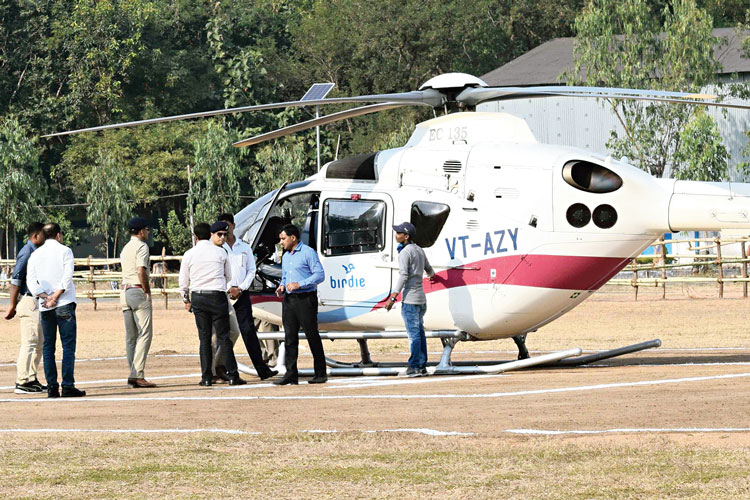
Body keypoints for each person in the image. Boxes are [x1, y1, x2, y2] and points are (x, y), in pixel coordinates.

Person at [179, 222, 246, 387]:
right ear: (209, 234)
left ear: (195, 236)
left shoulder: (189, 254)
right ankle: (232, 375)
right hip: (217, 295)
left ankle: (207, 376)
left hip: (199, 296)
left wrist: (186, 299)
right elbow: (228, 276)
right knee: (224, 337)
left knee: (205, 338)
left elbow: (183, 281)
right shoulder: (220, 252)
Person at [213, 214, 277, 381]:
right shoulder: (217, 248)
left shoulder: (244, 246)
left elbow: (251, 270)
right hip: (224, 294)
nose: (226, 230)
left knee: (248, 332)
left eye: (228, 225)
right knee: (224, 334)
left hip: (242, 294)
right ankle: (223, 368)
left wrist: (240, 288)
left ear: (234, 225)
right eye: (222, 227)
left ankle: (262, 369)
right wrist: (229, 288)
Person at [26, 223, 85, 397]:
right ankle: (67, 385)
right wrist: (56, 296)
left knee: (48, 347)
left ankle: (52, 386)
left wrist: (45, 297)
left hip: (45, 306)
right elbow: (67, 278)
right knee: (67, 346)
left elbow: (31, 281)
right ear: (58, 235)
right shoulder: (65, 251)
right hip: (64, 302)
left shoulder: (36, 255)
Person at [274, 224, 326, 385]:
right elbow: (285, 276)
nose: (281, 242)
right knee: (289, 337)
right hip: (289, 300)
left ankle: (320, 373)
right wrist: (282, 285)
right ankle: (291, 374)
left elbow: (319, 275)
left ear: (293, 237)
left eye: (283, 238)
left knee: (312, 335)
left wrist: (300, 284)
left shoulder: (308, 253)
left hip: (305, 299)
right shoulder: (286, 256)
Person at [384, 222, 435, 377]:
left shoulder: (405, 253)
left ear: (406, 236)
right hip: (421, 299)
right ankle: (422, 365)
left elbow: (403, 276)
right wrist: (432, 277)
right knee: (419, 333)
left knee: (413, 335)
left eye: (398, 233)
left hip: (410, 300)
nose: (396, 235)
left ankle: (414, 367)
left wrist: (393, 296)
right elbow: (430, 271)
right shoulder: (419, 250)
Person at [4, 222, 47, 394]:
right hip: (28, 301)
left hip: (37, 302)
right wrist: (12, 306)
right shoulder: (26, 253)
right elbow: (15, 280)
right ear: (36, 236)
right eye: (43, 235)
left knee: (38, 343)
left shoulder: (37, 252)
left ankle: (31, 378)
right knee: (29, 342)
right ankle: (21, 381)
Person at [120, 217, 156, 388]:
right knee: (145, 333)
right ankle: (137, 373)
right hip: (137, 289)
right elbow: (141, 269)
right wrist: (146, 289)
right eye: (147, 230)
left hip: (124, 292)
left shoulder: (126, 248)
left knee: (131, 337)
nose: (148, 233)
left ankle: (132, 372)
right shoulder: (142, 246)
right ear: (141, 231)